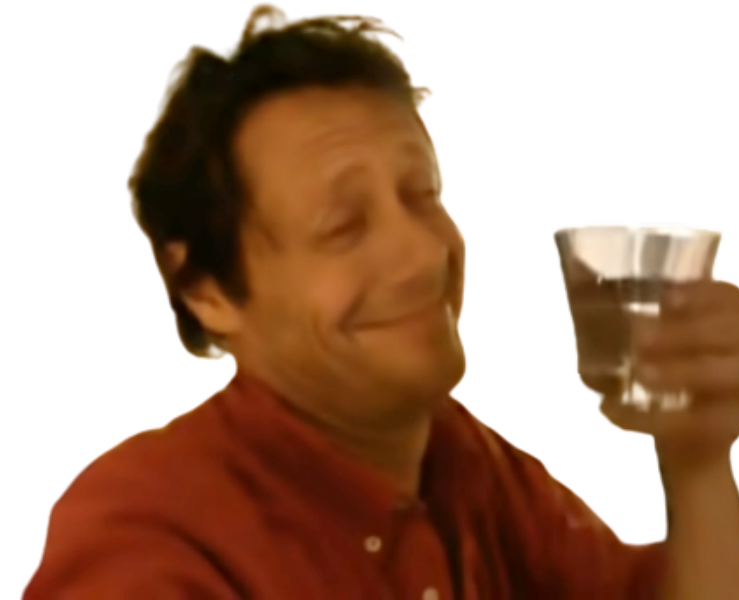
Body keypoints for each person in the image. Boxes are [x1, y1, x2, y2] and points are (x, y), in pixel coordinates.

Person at [22, 7, 671, 599]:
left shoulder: (464, 460)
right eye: (343, 226)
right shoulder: (148, 532)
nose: (422, 255)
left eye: (423, 195)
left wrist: (698, 448)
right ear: (207, 291)